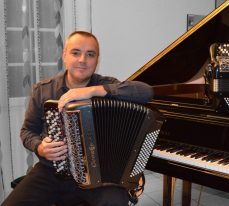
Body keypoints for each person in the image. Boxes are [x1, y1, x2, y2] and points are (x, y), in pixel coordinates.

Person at [2, 31, 153, 206]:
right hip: (51, 171)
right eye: (75, 52)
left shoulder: (107, 85)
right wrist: (40, 147)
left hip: (99, 176)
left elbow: (146, 92)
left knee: (115, 202)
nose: (83, 60)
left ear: (97, 60)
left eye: (91, 54)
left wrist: (93, 91)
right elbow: (27, 131)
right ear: (64, 56)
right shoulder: (43, 90)